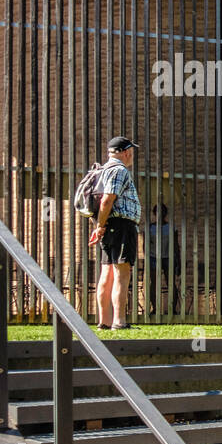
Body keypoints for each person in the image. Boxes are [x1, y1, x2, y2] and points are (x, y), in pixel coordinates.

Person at [88, 136, 142, 329]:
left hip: (110, 226)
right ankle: (119, 321)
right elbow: (107, 200)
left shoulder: (102, 169)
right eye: (131, 151)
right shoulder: (119, 170)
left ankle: (104, 321)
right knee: (122, 273)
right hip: (121, 226)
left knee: (107, 272)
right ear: (126, 151)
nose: (132, 156)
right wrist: (99, 226)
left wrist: (100, 226)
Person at [146, 203, 181, 315]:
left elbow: (176, 245)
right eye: (158, 212)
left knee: (170, 283)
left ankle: (172, 309)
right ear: (154, 213)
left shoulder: (171, 228)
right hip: (153, 256)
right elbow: (145, 245)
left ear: (166, 213)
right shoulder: (150, 228)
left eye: (163, 212)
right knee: (154, 283)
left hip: (168, 257)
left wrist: (178, 260)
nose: (160, 214)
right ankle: (155, 309)